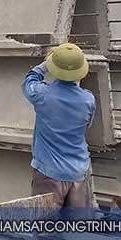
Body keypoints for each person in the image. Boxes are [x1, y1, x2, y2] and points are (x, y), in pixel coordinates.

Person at [22, 42, 96, 209]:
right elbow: (87, 126)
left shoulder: (42, 94)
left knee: (45, 223)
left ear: (53, 67)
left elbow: (29, 80)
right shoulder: (88, 100)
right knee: (75, 224)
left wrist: (46, 65)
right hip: (78, 173)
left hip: (48, 174)